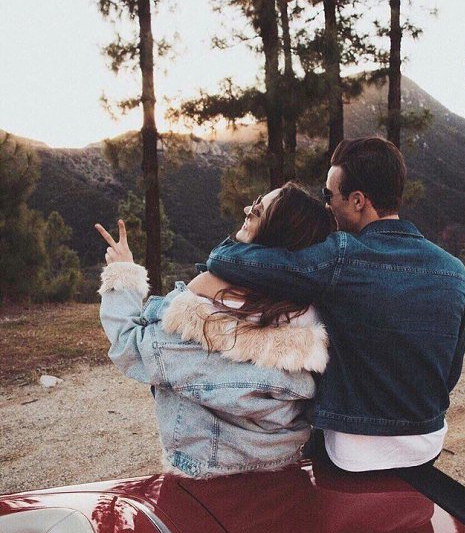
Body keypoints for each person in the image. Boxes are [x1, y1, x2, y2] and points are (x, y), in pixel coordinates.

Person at [205, 137, 465, 472]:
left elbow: (229, 261)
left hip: (353, 453)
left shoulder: (342, 255)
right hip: (426, 443)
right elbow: (450, 374)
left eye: (328, 196)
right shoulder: (454, 270)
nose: (326, 206)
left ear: (358, 200)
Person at [95, 182, 333, 479]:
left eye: (257, 211)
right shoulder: (313, 322)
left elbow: (129, 345)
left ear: (277, 232)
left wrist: (122, 273)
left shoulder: (202, 318)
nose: (247, 209)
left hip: (204, 477)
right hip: (287, 471)